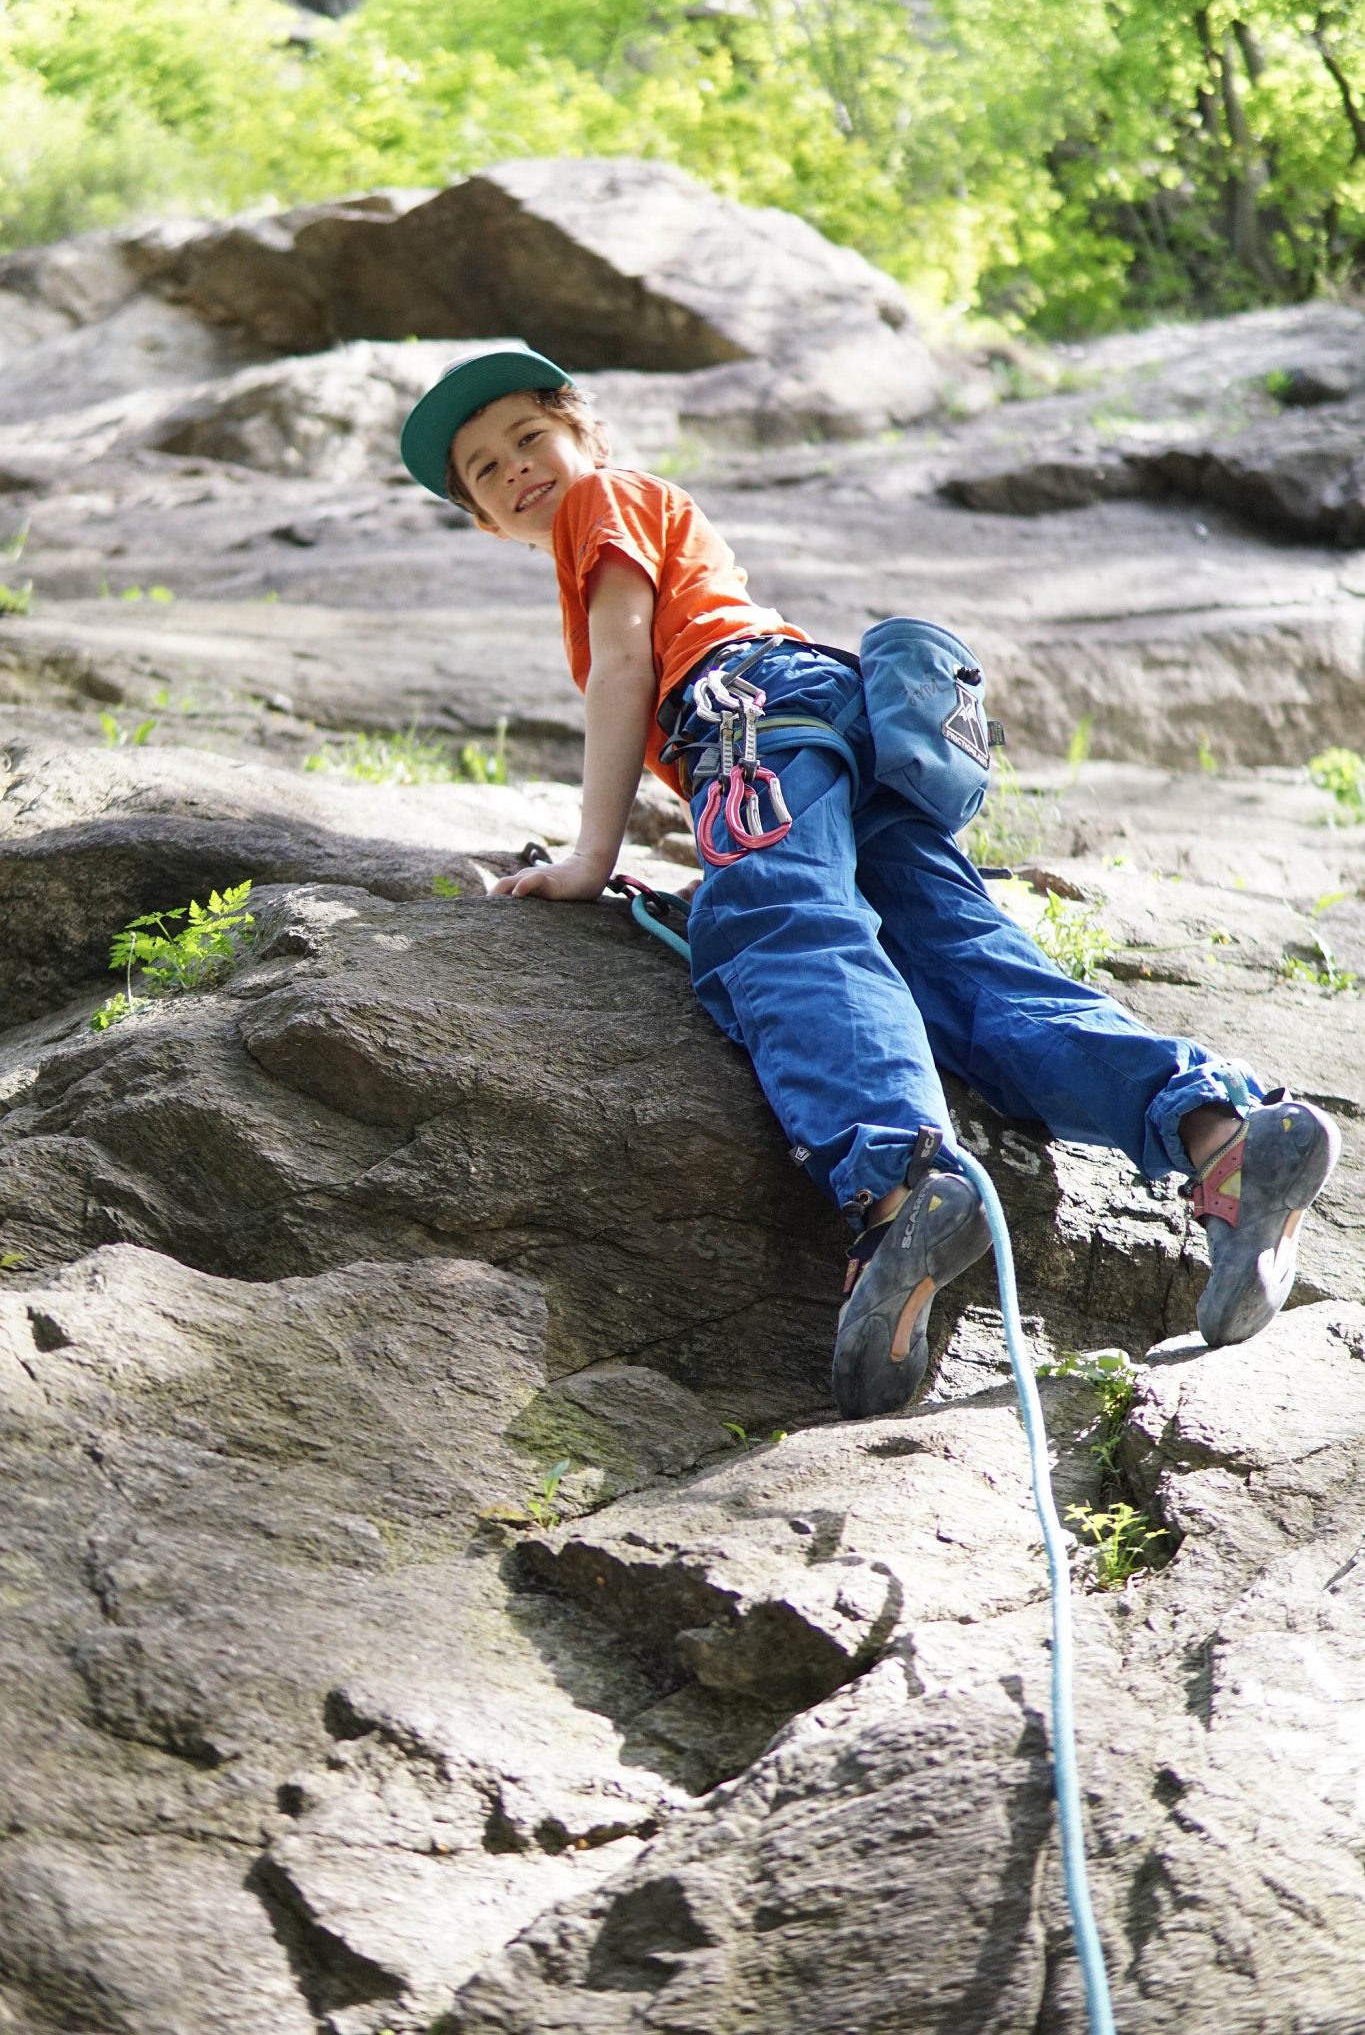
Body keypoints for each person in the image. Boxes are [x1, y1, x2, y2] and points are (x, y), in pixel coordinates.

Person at [400, 347, 1341, 1419]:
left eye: (530, 438)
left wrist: (589, 860)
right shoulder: (634, 515)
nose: (516, 469)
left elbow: (625, 668)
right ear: (482, 518)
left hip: (748, 713)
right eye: (484, 470)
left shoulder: (600, 507)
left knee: (778, 927)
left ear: (587, 439)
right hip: (834, 712)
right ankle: (1222, 1139)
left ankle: (900, 1191)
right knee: (961, 969)